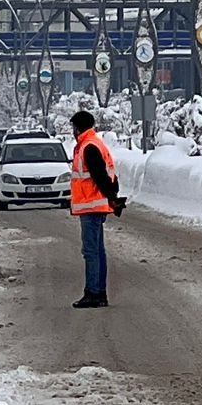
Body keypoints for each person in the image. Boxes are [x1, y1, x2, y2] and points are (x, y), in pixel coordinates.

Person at [68, 110, 126, 309]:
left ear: (78, 128)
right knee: (98, 251)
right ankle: (99, 292)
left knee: (91, 251)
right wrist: (112, 197)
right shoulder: (96, 144)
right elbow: (110, 175)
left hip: (91, 206)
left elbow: (101, 177)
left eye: (73, 128)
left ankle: (93, 293)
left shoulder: (88, 147)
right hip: (96, 205)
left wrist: (111, 197)